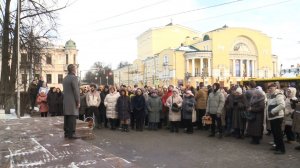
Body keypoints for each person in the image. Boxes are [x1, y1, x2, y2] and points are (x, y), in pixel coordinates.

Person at [63, 64, 80, 139]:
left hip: (65, 100)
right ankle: (72, 133)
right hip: (72, 101)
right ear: (73, 70)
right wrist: (78, 101)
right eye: (75, 68)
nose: (76, 70)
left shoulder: (65, 78)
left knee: (66, 117)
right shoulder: (74, 78)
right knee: (72, 117)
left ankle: (66, 133)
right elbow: (76, 91)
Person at [267, 83, 286, 154]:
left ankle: (282, 149)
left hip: (277, 117)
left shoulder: (278, 94)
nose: (269, 89)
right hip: (273, 117)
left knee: (278, 134)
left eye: (271, 88)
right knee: (275, 133)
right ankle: (277, 147)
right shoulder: (271, 95)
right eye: (268, 88)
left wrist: (272, 111)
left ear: (275, 87)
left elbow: (282, 105)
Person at [246, 81, 265, 145]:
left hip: (258, 116)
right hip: (253, 115)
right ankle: (253, 139)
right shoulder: (253, 98)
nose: (254, 94)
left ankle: (256, 140)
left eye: (255, 93)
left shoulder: (261, 99)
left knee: (257, 129)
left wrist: (252, 109)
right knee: (252, 128)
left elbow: (261, 108)